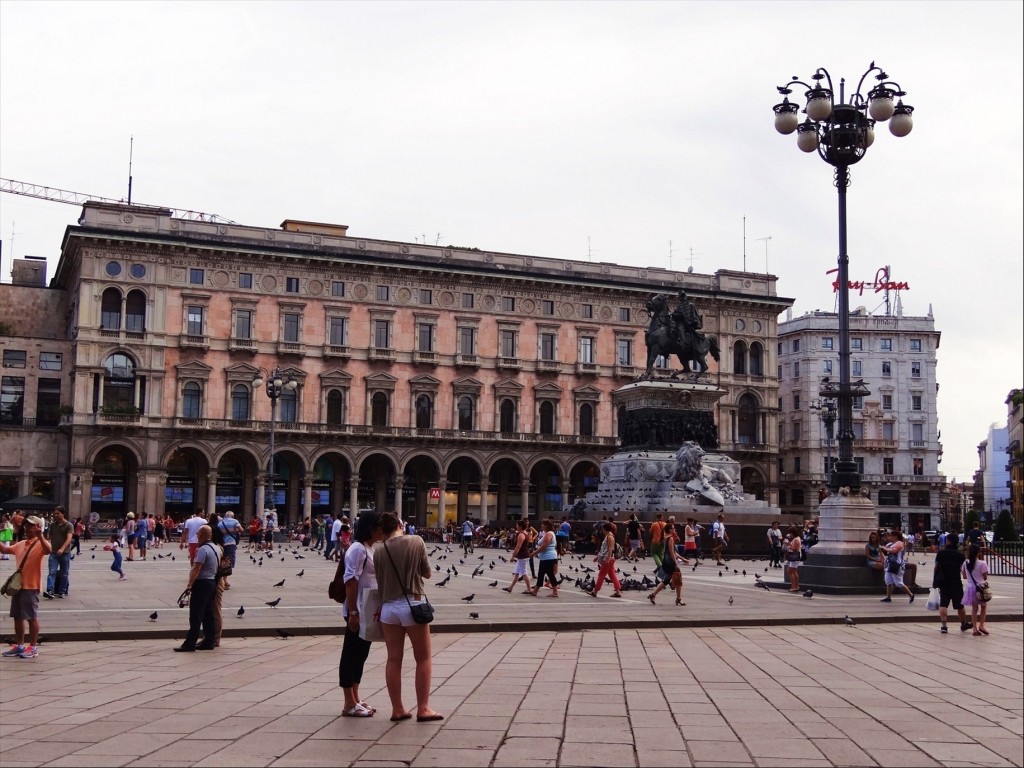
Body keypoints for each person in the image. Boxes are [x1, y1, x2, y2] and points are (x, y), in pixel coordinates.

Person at [373, 512, 442, 722]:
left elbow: (380, 580)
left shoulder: (379, 550)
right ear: (400, 525)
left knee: (393, 659)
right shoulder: (416, 541)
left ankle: (398, 709)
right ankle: (423, 708)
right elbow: (427, 573)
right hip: (412, 604)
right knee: (423, 658)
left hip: (388, 609)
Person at [340, 510, 382, 717]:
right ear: (371, 528)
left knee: (361, 654)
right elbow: (350, 581)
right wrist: (353, 612)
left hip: (367, 609)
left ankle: (356, 697)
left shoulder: (369, 548)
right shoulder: (358, 549)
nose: (383, 530)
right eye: (380, 526)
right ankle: (348, 702)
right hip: (357, 609)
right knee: (351, 653)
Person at [0, 515, 51, 658]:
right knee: (17, 617)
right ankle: (20, 645)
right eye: (26, 525)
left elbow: (48, 550)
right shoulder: (21, 543)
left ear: (38, 527)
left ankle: (33, 647)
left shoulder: (41, 543)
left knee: (31, 617)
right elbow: (5, 550)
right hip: (17, 586)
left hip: (31, 586)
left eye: (31, 525)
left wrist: (41, 536)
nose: (27, 528)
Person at [174, 524, 220, 652]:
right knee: (208, 613)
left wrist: (189, 585)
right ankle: (209, 641)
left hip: (202, 583)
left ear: (202, 535)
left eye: (198, 534)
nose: (197, 536)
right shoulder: (215, 548)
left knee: (195, 614)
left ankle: (190, 643)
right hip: (211, 582)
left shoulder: (202, 550)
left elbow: (197, 568)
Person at [932, 534, 971, 634]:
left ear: (948, 541)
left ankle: (944, 626)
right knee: (959, 605)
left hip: (943, 581)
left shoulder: (941, 553)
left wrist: (935, 580)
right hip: (956, 581)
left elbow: (936, 567)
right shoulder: (960, 555)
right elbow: (962, 569)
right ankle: (963, 624)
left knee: (943, 603)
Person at [647, 521, 684, 606]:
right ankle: (678, 599)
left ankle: (653, 595)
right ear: (670, 530)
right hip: (670, 562)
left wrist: (682, 559)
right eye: (673, 528)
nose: (674, 529)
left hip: (666, 562)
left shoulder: (665, 538)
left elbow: (671, 551)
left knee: (666, 581)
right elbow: (672, 552)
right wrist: (676, 563)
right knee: (678, 579)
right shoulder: (670, 538)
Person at [44, 506, 73, 599]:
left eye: (58, 513)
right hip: (54, 552)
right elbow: (49, 537)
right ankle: (50, 590)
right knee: (52, 572)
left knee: (64, 573)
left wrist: (62, 548)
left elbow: (69, 538)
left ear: (63, 514)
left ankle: (62, 591)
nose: (56, 515)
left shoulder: (69, 525)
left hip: (65, 553)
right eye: (55, 513)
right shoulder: (53, 525)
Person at [587, 522, 623, 598]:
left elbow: (610, 549)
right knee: (612, 575)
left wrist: (607, 558)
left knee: (601, 575)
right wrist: (598, 557)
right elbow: (604, 549)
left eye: (602, 529)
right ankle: (618, 592)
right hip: (609, 558)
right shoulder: (608, 536)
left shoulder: (610, 537)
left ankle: (595, 591)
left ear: (604, 529)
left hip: (608, 559)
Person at [961, 544, 990, 636]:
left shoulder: (965, 563)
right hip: (981, 587)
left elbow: (964, 576)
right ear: (978, 553)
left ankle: (974, 629)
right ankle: (981, 625)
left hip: (970, 587)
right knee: (983, 607)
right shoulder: (982, 563)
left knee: (974, 609)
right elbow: (985, 577)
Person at [880, 530, 915, 603]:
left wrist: (884, 548)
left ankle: (911, 594)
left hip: (897, 565)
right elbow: (886, 552)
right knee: (888, 581)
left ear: (895, 536)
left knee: (898, 583)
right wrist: (881, 550)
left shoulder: (900, 543)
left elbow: (894, 550)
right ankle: (888, 597)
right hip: (889, 565)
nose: (889, 537)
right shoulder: (889, 544)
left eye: (891, 536)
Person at [528, 519, 559, 598]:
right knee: (542, 574)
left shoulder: (548, 534)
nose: (541, 525)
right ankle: (535, 591)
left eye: (543, 524)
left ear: (546, 526)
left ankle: (555, 592)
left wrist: (534, 553)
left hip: (548, 557)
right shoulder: (548, 533)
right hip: (546, 557)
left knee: (549, 574)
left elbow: (544, 546)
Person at [502, 519, 534, 595]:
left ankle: (529, 589)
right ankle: (510, 588)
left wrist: (513, 556)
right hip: (522, 556)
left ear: (520, 526)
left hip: (523, 556)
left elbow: (518, 547)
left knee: (524, 573)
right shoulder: (525, 533)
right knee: (516, 573)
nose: (516, 526)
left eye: (517, 525)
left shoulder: (521, 535)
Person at [217, 510, 243, 589]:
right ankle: (224, 581)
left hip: (222, 544)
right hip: (231, 543)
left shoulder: (220, 523)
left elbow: (218, 533)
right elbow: (241, 530)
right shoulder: (235, 521)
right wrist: (234, 531)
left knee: (222, 561)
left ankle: (222, 580)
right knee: (228, 562)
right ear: (232, 516)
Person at [785, 526, 803, 592]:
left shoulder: (796, 539)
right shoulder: (797, 538)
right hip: (794, 557)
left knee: (793, 571)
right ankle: (793, 585)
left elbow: (795, 549)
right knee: (790, 571)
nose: (790, 534)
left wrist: (788, 546)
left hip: (794, 556)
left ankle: (795, 586)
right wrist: (789, 544)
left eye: (790, 533)